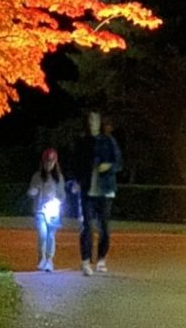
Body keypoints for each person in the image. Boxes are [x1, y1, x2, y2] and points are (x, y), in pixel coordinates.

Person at [72, 110, 122, 276]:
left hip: (105, 188)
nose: (93, 122)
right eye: (90, 119)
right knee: (87, 225)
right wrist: (77, 181)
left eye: (96, 119)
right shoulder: (82, 141)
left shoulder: (108, 141)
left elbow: (118, 162)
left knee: (104, 227)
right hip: (87, 188)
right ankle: (85, 260)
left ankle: (101, 258)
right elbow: (75, 163)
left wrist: (108, 166)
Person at [28, 147, 65, 271]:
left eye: (51, 162)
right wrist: (33, 191)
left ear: (55, 163)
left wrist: (56, 200)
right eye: (46, 162)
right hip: (40, 210)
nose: (48, 165)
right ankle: (41, 258)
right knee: (42, 235)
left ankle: (49, 260)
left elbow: (62, 195)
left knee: (50, 235)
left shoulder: (59, 178)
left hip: (53, 211)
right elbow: (31, 192)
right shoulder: (37, 176)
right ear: (42, 162)